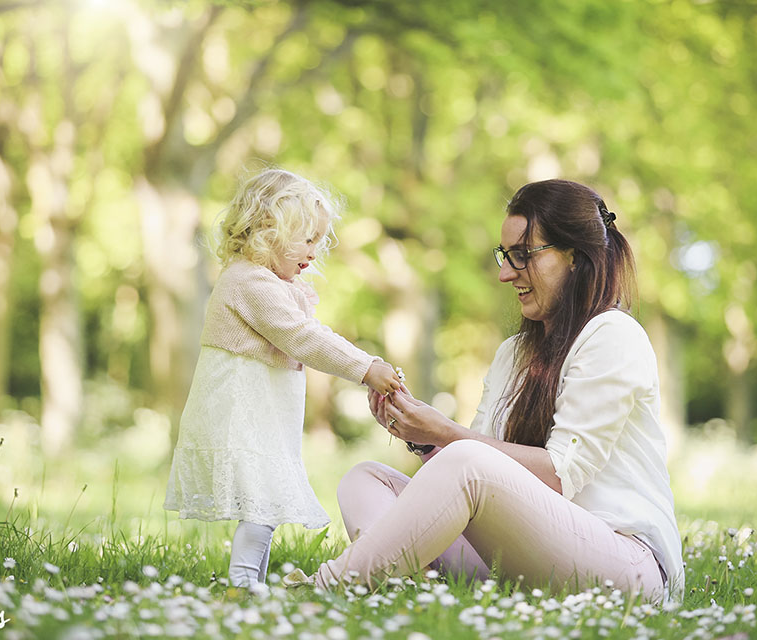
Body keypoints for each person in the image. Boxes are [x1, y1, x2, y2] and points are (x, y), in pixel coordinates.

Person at [291, 178, 684, 604]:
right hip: (523, 558)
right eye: (504, 255)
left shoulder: (612, 334)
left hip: (625, 566)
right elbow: (480, 476)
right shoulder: (512, 354)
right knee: (364, 478)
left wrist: (445, 432)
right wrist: (421, 438)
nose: (505, 273)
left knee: (464, 457)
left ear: (573, 255)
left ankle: (326, 587)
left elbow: (556, 475)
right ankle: (409, 585)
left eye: (521, 255)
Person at [163, 168, 403, 588]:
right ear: (266, 231)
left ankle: (249, 584)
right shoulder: (247, 281)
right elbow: (303, 337)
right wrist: (366, 367)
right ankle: (241, 585)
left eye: (319, 240)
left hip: (263, 417)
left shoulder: (266, 281)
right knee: (262, 506)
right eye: (307, 239)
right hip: (240, 415)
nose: (316, 251)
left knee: (266, 506)